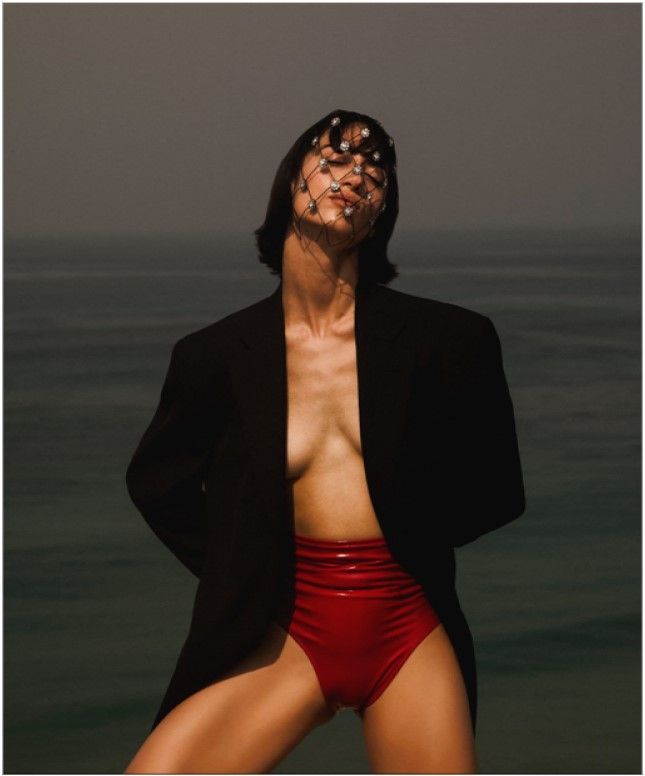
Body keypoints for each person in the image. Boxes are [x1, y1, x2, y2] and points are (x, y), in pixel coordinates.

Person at [124, 109, 526, 773]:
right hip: (283, 630)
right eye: (335, 157)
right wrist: (244, 568)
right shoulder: (216, 355)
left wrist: (410, 530)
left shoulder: (449, 341)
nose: (357, 174)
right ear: (291, 182)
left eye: (375, 170)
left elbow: (495, 490)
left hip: (408, 626)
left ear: (382, 213)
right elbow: (157, 485)